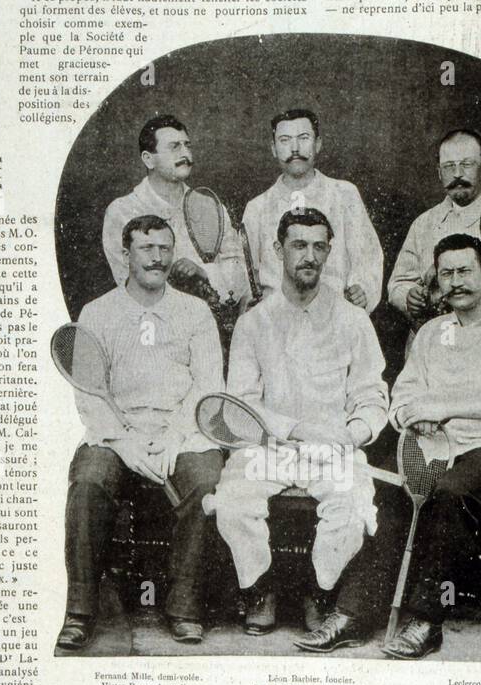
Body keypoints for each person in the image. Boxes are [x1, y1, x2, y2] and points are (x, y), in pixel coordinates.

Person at [299, 233, 481, 659]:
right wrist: (408, 417)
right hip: (435, 446)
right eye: (446, 273)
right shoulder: (433, 331)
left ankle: (425, 620)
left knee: (449, 491)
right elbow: (402, 397)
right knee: (386, 489)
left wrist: (442, 407)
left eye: (465, 271)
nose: (455, 282)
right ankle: (352, 615)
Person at [211, 207, 389, 636]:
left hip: (335, 450)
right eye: (298, 245)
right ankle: (260, 587)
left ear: (329, 251)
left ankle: (319, 590)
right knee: (233, 499)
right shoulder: (254, 323)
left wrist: (350, 436)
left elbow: (372, 396)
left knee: (351, 506)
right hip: (269, 449)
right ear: (278, 250)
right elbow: (241, 406)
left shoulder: (353, 319)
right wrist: (297, 431)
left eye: (318, 246)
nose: (308, 256)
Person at [57, 214, 225, 651]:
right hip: (118, 437)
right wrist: (121, 440)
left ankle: (184, 609)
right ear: (125, 253)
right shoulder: (98, 312)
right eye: (147, 249)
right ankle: (79, 611)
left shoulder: (195, 312)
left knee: (206, 481)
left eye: (165, 249)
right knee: (90, 478)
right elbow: (89, 393)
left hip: (181, 432)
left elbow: (208, 385)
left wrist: (174, 435)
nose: (157, 258)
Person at [242, 109, 384, 312]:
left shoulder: (344, 194)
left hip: (336, 317)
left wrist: (363, 290)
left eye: (303, 138)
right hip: (277, 321)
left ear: (318, 143)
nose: (295, 148)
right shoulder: (257, 208)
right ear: (273, 148)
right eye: (284, 140)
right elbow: (246, 276)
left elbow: (368, 258)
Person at [387, 127, 481, 319]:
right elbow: (398, 283)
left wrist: (444, 279)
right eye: (449, 166)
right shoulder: (423, 224)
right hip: (432, 336)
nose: (457, 174)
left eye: (466, 164)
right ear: (439, 172)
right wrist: (409, 296)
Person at [102, 114, 247, 303]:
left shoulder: (210, 206)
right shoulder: (122, 211)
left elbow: (239, 273)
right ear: (148, 159)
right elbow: (129, 281)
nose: (185, 154)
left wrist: (203, 271)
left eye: (187, 145)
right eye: (174, 147)